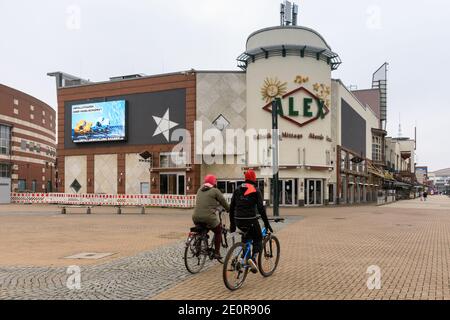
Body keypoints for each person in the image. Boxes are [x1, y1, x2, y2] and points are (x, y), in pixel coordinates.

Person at [229, 170, 272, 273]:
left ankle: (244, 258)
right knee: (258, 239)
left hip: (238, 220)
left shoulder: (237, 189)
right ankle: (253, 260)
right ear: (254, 179)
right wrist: (266, 223)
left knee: (246, 238)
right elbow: (261, 209)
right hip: (250, 220)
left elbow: (231, 207)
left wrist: (232, 224)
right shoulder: (256, 190)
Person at [192, 174, 230, 260]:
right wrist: (228, 209)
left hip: (195, 217)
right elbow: (223, 201)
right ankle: (216, 253)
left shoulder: (199, 190)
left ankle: (200, 244)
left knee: (204, 228)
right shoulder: (215, 191)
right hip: (208, 217)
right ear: (214, 183)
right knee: (218, 231)